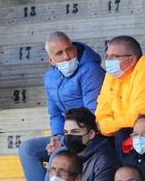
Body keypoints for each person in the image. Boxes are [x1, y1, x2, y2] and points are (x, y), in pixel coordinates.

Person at [20, 32, 105, 181]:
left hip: (86, 134)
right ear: (51, 60)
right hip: (67, 134)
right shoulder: (49, 78)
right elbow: (55, 115)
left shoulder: (91, 70)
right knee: (28, 149)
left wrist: (64, 141)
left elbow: (92, 114)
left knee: (56, 157)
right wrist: (56, 137)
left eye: (69, 50)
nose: (67, 56)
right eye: (59, 53)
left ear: (75, 49)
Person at [95, 36, 145, 145]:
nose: (109, 61)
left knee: (122, 134)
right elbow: (101, 115)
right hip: (118, 129)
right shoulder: (112, 74)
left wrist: (104, 126)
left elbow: (140, 119)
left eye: (115, 57)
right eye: (107, 57)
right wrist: (103, 127)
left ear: (132, 59)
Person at [61, 107, 120, 181]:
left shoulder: (104, 161)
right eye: (66, 132)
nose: (69, 137)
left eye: (75, 132)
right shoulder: (65, 155)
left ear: (91, 134)